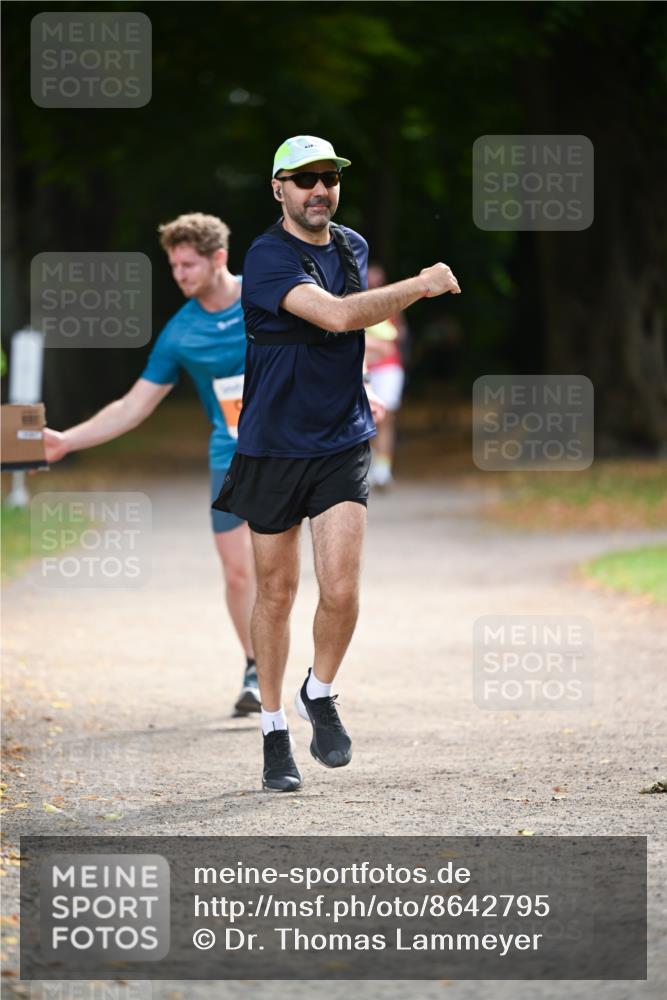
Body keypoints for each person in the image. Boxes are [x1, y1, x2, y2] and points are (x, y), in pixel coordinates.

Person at [213, 135, 461, 792]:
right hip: (271, 445)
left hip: (340, 441)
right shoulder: (267, 255)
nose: (319, 189)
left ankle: (318, 692)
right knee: (276, 593)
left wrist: (360, 389)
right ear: (278, 189)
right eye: (304, 179)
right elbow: (338, 315)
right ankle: (273, 731)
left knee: (343, 589)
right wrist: (421, 285)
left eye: (329, 177)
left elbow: (344, 341)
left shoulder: (351, 246)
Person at [41, 213, 260, 716]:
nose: (179, 275)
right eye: (174, 266)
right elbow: (133, 406)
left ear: (219, 258)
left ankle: (301, 671)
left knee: (280, 570)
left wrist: (362, 388)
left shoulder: (267, 295)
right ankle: (255, 666)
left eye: (188, 265)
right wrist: (66, 442)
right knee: (237, 573)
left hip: (291, 449)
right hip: (230, 454)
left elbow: (329, 339)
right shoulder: (180, 333)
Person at [364, 262, 408, 489]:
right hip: (366, 367)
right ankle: (372, 464)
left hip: (389, 367)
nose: (374, 285)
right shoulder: (356, 302)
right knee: (368, 419)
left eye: (378, 281)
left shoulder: (392, 303)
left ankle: (383, 469)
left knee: (387, 417)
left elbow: (401, 332)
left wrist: (387, 339)